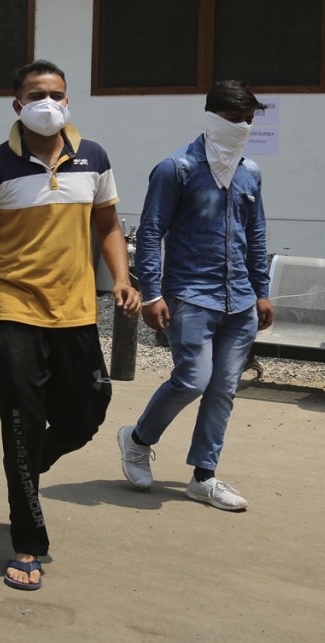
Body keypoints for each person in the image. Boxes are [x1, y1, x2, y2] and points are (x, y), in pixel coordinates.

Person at [0, 60, 140, 590]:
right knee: (21, 419)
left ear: (68, 100)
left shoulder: (95, 157)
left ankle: (26, 467)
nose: (49, 102)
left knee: (88, 410)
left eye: (58, 94)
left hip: (78, 309)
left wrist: (123, 279)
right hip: (12, 307)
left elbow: (106, 222)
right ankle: (27, 542)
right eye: (37, 94)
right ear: (17, 104)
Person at [117, 80, 273, 511]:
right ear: (211, 117)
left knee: (223, 389)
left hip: (239, 299)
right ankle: (137, 439)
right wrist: (151, 293)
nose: (241, 128)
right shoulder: (177, 169)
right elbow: (151, 232)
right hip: (189, 294)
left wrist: (261, 291)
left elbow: (255, 235)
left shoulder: (249, 172)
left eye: (248, 121)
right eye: (233, 119)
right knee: (192, 379)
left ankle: (204, 476)